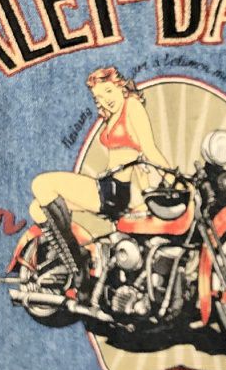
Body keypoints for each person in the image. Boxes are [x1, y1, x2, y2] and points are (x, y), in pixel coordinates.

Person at [28, 66, 170, 284]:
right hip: (107, 186)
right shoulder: (113, 115)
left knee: (41, 184)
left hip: (114, 191)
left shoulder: (132, 106)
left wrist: (174, 179)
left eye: (108, 92)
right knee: (36, 208)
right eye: (99, 98)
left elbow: (149, 149)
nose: (105, 100)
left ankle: (78, 265)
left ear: (120, 86)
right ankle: (77, 258)